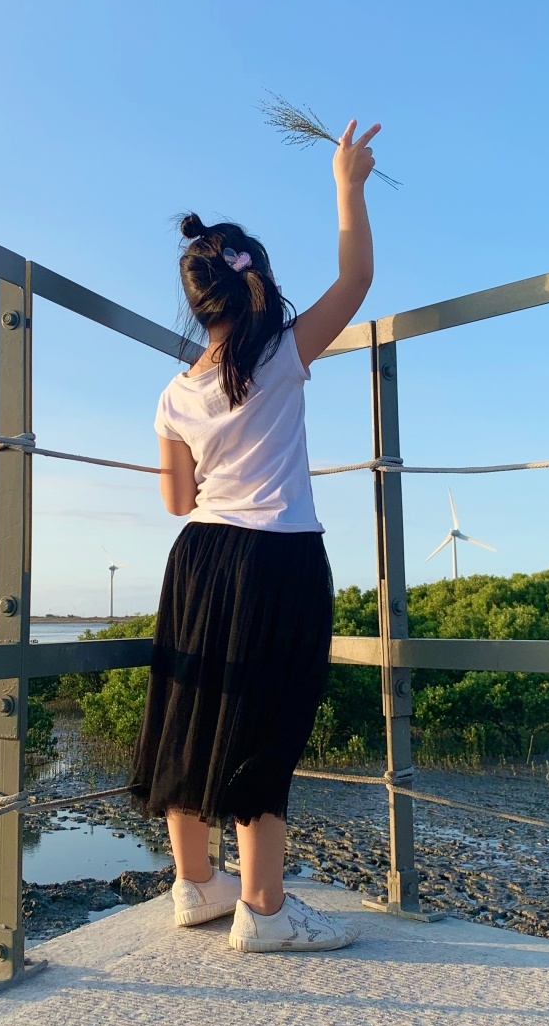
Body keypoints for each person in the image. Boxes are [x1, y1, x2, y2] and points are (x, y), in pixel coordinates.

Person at [129, 118, 380, 952]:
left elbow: (177, 500)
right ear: (256, 282)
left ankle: (195, 884)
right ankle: (264, 910)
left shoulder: (173, 395)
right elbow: (356, 279)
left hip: (200, 558)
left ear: (198, 301)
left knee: (191, 707)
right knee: (265, 723)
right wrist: (347, 184)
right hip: (277, 556)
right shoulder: (280, 354)